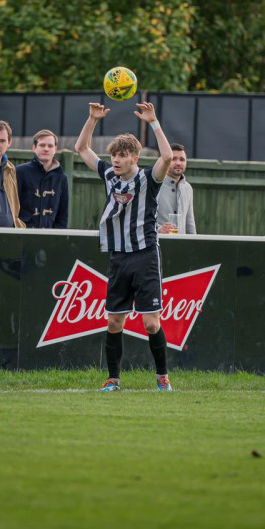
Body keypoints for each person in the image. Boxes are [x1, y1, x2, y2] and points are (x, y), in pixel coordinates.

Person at [75, 101, 174, 391]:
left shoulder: (148, 179)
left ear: (135, 158)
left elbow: (167, 157)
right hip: (119, 257)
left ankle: (162, 377)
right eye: (114, 156)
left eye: (123, 155)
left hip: (145, 256)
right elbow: (81, 148)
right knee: (114, 323)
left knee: (151, 324)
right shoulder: (108, 176)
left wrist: (154, 122)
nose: (116, 160)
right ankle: (113, 379)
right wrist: (92, 119)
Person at [16, 129, 69, 229]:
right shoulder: (20, 172)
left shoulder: (62, 178)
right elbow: (12, 208)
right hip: (23, 235)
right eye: (42, 145)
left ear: (55, 149)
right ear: (34, 148)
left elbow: (63, 216)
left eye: (50, 146)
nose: (46, 149)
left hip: (50, 238)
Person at [156, 143, 196, 235]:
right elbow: (141, 218)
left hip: (180, 246)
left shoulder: (188, 188)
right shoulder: (154, 185)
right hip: (156, 244)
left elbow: (190, 225)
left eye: (182, 159)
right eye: (173, 159)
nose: (178, 163)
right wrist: (159, 229)